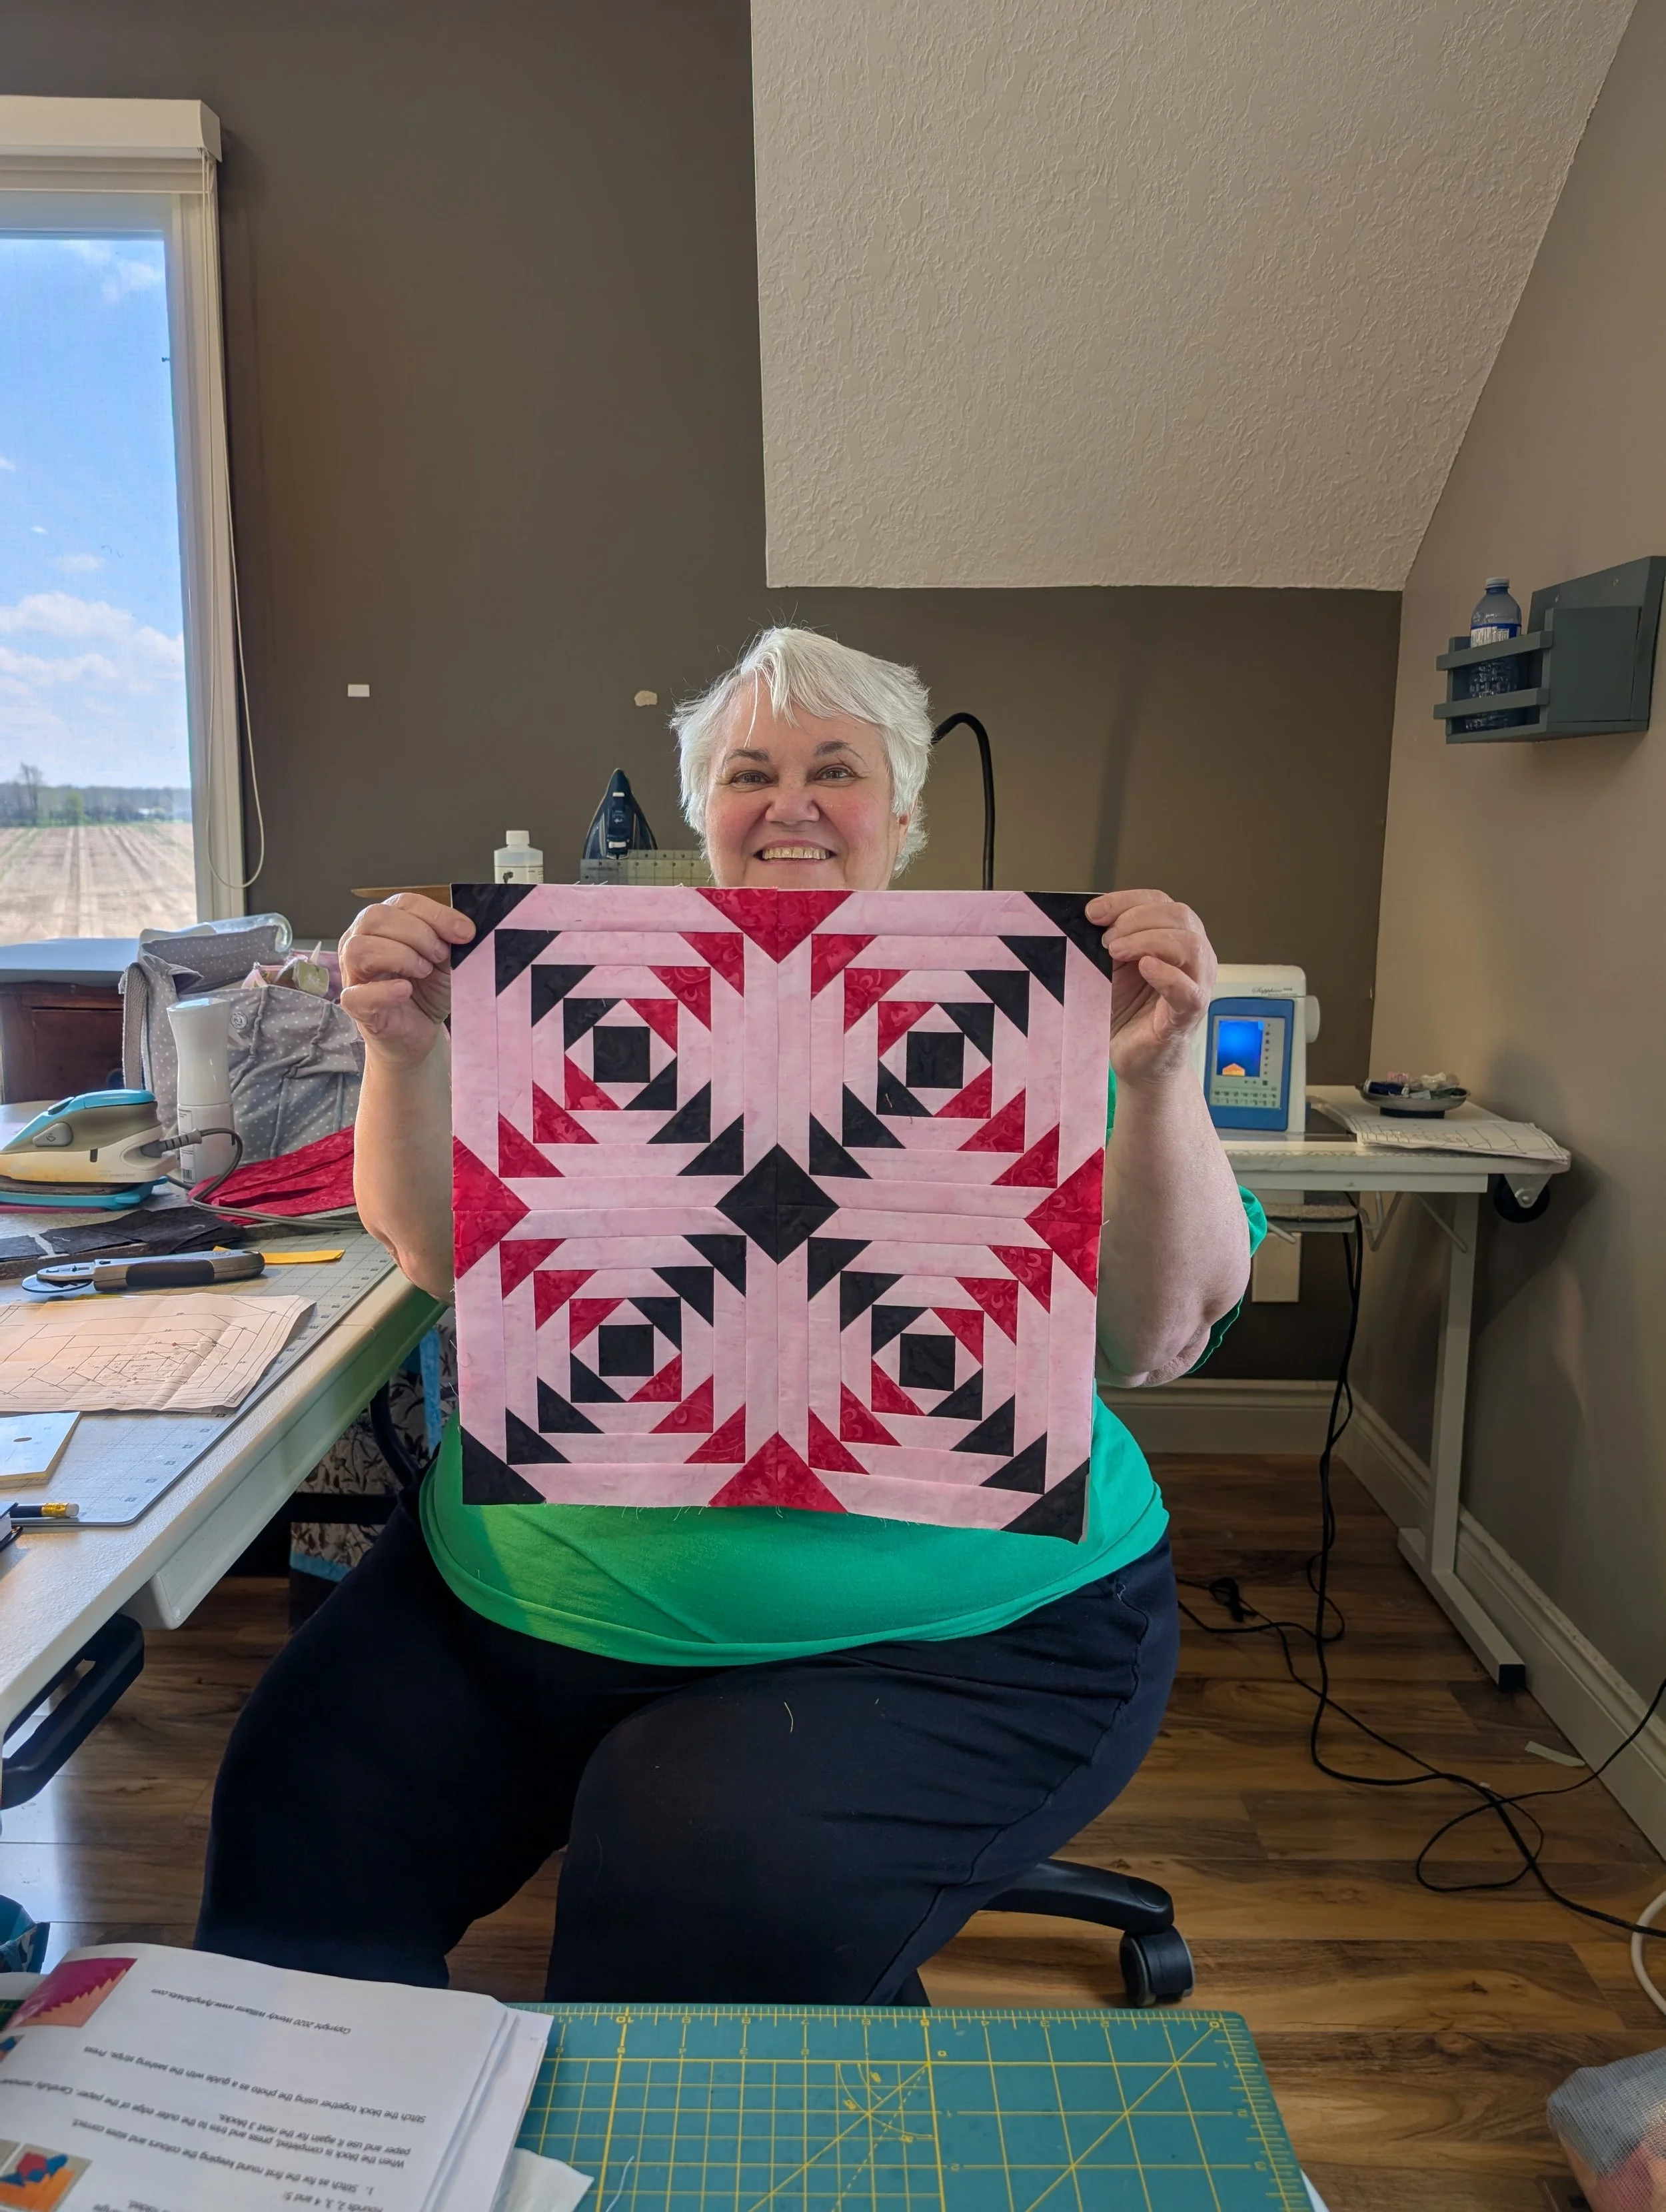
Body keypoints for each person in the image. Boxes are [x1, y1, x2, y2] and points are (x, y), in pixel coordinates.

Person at [196, 628, 1263, 2000]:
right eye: (750, 774)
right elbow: (442, 1254)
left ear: (903, 818)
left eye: (837, 770)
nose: (790, 803)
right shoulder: (577, 998)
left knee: (705, 1877)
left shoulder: (1033, 1010)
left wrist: (1160, 1073)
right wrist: (405, 1051)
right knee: (295, 1808)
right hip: (513, 1594)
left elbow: (1155, 1338)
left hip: (949, 1641)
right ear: (702, 817)